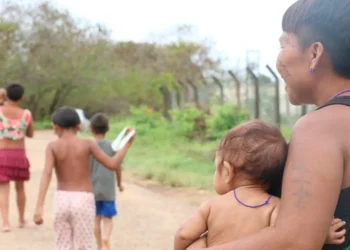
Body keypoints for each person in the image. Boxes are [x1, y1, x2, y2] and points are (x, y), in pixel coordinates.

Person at [188, 0, 350, 249]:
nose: (279, 58)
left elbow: (295, 242)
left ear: (315, 53)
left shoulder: (321, 127)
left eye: (283, 44)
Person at [175, 120, 346, 250]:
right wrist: (322, 235)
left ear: (227, 171)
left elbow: (184, 234)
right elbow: (296, 236)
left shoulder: (213, 206)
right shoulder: (275, 207)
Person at [33, 107, 134, 250]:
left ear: (55, 126)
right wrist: (126, 146)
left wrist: (39, 206)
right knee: (83, 246)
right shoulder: (87, 144)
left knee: (62, 245)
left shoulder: (52, 146)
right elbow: (112, 164)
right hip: (83, 199)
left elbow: (47, 174)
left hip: (61, 199)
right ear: (79, 126)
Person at [89, 113, 126, 250]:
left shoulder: (89, 147)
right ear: (108, 128)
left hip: (91, 189)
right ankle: (106, 238)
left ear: (91, 129)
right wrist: (119, 183)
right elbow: (117, 167)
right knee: (107, 217)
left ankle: (99, 246)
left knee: (96, 218)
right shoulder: (112, 146)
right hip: (108, 189)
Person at [0, 83, 34, 232]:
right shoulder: (26, 114)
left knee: (3, 189)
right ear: (21, 97)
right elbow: (31, 134)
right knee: (20, 188)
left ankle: (6, 223)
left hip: (2, 154)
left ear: (6, 95)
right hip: (19, 154)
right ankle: (21, 219)